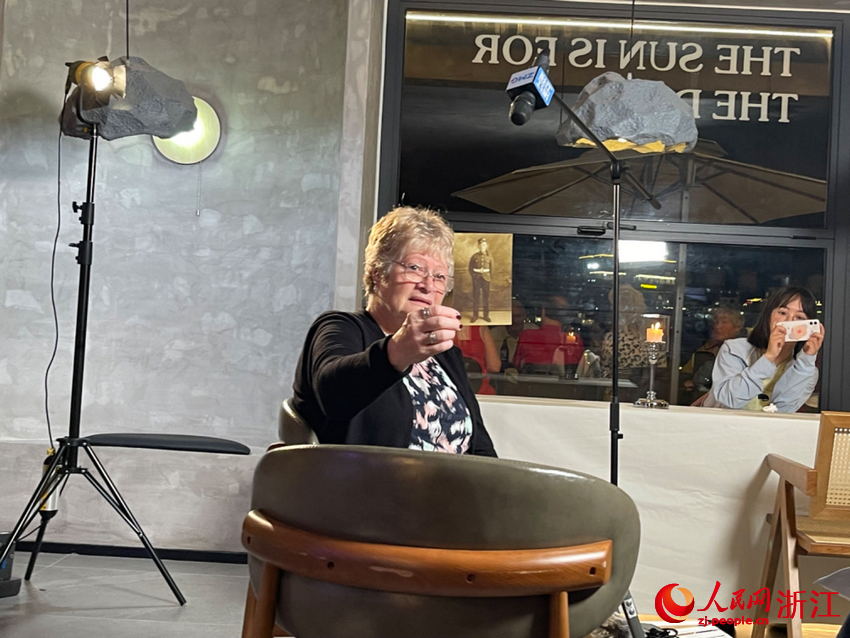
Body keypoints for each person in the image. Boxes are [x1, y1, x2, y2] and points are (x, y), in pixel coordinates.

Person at [292, 206, 497, 456]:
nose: (428, 285)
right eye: (415, 268)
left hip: (455, 480)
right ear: (378, 274)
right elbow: (332, 397)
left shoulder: (446, 354)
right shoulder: (341, 327)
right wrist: (397, 352)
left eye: (440, 276)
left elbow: (481, 446)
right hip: (371, 479)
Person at [704, 286, 824, 413]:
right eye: (783, 313)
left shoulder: (807, 371)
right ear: (769, 315)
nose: (789, 321)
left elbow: (785, 411)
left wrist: (806, 361)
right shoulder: (734, 350)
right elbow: (730, 400)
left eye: (799, 317)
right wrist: (769, 357)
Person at [680, 306, 745, 398]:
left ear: (738, 327)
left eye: (724, 322)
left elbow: (704, 376)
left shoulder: (737, 349)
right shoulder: (712, 346)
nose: (717, 327)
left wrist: (694, 382)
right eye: (716, 323)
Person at [513, 295, 584, 375]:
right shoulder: (575, 340)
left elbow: (516, 365)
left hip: (531, 383)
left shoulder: (527, 336)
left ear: (543, 311)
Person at [468, 237, 493, 322]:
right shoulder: (474, 256)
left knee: (486, 298)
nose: (482, 247)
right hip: (477, 279)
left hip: (486, 279)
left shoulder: (489, 257)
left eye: (484, 245)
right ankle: (475, 316)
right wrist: (474, 276)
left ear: (486, 246)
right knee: (476, 298)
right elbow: (470, 268)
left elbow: (492, 269)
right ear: (478, 246)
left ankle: (486, 316)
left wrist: (489, 277)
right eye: (481, 245)